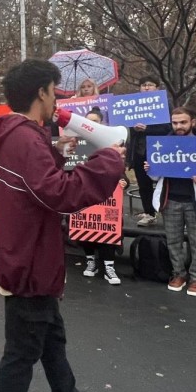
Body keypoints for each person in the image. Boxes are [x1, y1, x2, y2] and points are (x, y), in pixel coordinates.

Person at [0, 59, 126, 392]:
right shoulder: (25, 140)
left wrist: (55, 152)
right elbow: (56, 193)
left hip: (28, 258)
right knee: (22, 352)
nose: (57, 101)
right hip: (28, 264)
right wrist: (109, 161)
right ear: (43, 92)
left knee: (50, 343)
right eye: (55, 92)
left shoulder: (22, 138)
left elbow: (37, 186)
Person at [147, 108, 196, 297]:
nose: (178, 126)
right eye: (175, 123)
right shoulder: (162, 144)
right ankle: (178, 274)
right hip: (170, 200)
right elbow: (155, 176)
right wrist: (151, 168)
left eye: (183, 122)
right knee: (173, 241)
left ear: (193, 122)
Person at [77, 109, 125, 285]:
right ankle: (91, 262)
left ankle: (108, 267)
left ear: (102, 124)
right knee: (85, 227)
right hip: (85, 193)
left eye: (95, 121)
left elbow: (120, 168)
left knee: (107, 229)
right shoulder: (77, 142)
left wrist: (123, 180)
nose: (91, 125)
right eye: (88, 122)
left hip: (107, 196)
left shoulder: (111, 143)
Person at [127, 76, 171, 226]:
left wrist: (148, 129)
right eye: (143, 85)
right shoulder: (134, 106)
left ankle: (168, 214)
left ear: (157, 88)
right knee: (143, 186)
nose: (146, 88)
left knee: (164, 184)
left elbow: (169, 129)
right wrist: (134, 129)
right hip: (140, 152)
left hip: (159, 152)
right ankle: (149, 213)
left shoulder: (164, 105)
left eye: (150, 85)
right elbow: (125, 129)